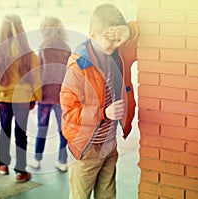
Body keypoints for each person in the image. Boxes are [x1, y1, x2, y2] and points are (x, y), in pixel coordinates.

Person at [60, 4, 139, 199]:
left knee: (108, 196)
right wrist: (103, 113)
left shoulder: (119, 52)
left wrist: (128, 30)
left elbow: (146, 29)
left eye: (118, 39)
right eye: (109, 40)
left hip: (109, 145)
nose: (114, 45)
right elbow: (69, 112)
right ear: (93, 34)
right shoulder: (78, 68)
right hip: (86, 149)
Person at [0, 14, 41, 182]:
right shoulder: (28, 52)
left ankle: (2, 164)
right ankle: (21, 171)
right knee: (21, 132)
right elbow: (36, 76)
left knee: (4, 130)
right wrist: (36, 96)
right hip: (23, 98)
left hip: (3, 97)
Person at [28, 17, 70, 172]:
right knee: (63, 129)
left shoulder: (43, 48)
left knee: (42, 128)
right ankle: (63, 161)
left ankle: (37, 159)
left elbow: (38, 73)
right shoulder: (66, 48)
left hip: (45, 96)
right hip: (62, 95)